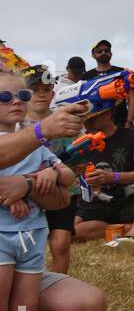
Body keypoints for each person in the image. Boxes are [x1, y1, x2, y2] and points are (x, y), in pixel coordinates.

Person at [0, 69, 77, 311]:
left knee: (25, 308)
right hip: (2, 238)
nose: (16, 102)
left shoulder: (36, 142)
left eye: (22, 96)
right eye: (5, 97)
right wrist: (12, 195)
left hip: (32, 236)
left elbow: (69, 178)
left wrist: (50, 173)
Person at [72, 101, 134, 250]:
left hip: (129, 197)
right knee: (69, 232)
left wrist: (112, 177)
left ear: (108, 114)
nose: (87, 124)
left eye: (91, 119)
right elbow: (74, 177)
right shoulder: (81, 144)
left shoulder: (132, 136)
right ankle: (130, 227)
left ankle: (130, 237)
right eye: (85, 120)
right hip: (97, 201)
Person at [23, 69, 77, 274]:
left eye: (46, 89)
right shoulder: (15, 124)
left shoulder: (64, 119)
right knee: (25, 247)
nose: (41, 94)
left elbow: (78, 154)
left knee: (61, 243)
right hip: (26, 190)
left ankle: (58, 283)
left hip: (63, 187)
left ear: (54, 93)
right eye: (35, 89)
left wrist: (60, 173)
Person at [87, 40, 134, 128]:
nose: (103, 53)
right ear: (93, 55)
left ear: (111, 54)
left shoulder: (122, 72)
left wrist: (129, 121)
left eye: (107, 51)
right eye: (99, 51)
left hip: (121, 122)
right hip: (96, 124)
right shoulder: (86, 76)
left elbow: (132, 95)